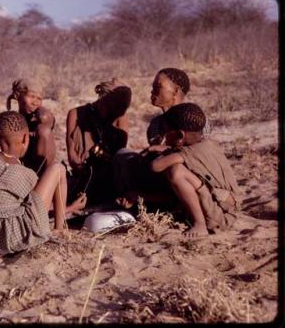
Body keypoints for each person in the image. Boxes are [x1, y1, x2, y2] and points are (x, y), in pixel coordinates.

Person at [0, 111, 87, 255]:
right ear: (25, 138)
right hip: (16, 237)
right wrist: (71, 207)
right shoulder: (24, 174)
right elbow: (40, 207)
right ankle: (60, 227)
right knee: (58, 168)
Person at [150, 103, 241, 237]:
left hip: (222, 214)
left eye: (166, 132)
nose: (164, 137)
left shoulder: (186, 153)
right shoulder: (206, 145)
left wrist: (160, 151)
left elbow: (156, 166)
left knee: (176, 172)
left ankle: (200, 224)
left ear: (180, 135)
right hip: (228, 205)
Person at [115, 68, 196, 209]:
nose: (152, 91)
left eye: (158, 87)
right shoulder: (156, 124)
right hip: (162, 178)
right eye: (152, 87)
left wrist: (166, 150)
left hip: (188, 178)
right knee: (123, 157)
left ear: (175, 91)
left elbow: (200, 155)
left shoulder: (194, 118)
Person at [66, 78, 131, 205]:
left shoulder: (120, 117)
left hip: (109, 178)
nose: (117, 112)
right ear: (103, 99)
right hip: (82, 177)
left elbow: (119, 156)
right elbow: (72, 156)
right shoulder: (76, 114)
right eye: (114, 107)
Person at [6, 79, 56, 174]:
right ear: (17, 96)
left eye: (39, 99)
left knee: (44, 131)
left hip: (41, 173)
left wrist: (42, 112)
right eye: (31, 96)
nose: (35, 102)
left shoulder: (41, 119)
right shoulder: (11, 120)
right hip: (17, 170)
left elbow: (45, 118)